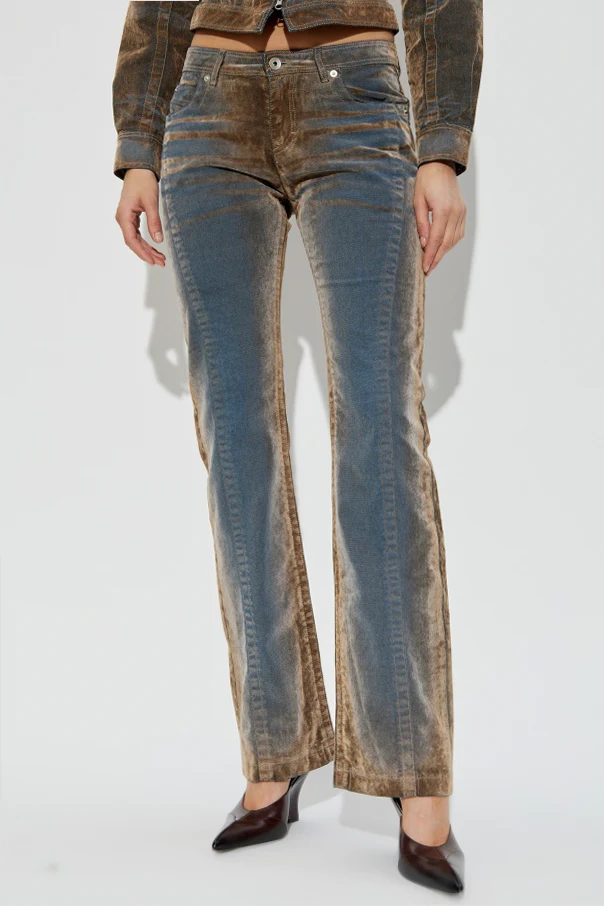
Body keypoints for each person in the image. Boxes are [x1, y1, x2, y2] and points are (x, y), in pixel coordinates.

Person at [112, 0, 483, 892]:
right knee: (235, 442)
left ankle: (414, 773)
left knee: (381, 438)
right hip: (207, 105)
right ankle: (274, 753)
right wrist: (137, 144)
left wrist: (440, 146)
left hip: (353, 97)